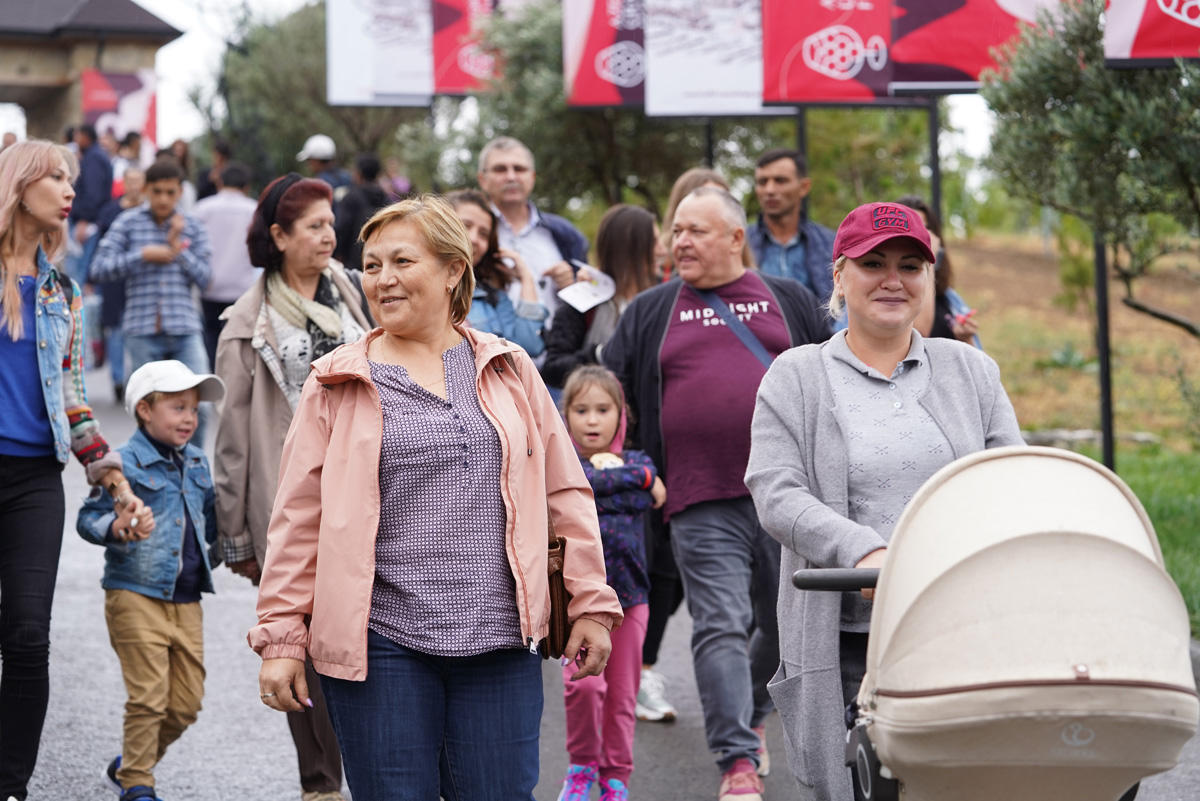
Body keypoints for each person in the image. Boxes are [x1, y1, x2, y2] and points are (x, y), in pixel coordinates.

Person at [251, 195, 622, 801]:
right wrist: (283, 638)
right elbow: (298, 519)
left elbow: (564, 491)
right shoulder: (338, 381)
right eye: (370, 266)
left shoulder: (509, 367)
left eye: (402, 261)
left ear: (453, 270)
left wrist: (590, 605)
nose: (383, 279)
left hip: (500, 641)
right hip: (382, 641)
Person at [744, 202, 1023, 801]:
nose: (893, 279)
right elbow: (775, 490)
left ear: (929, 278)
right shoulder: (795, 376)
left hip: (957, 630)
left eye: (909, 265)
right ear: (840, 275)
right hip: (847, 640)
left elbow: (1009, 480)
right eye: (873, 263)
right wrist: (863, 551)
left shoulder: (971, 370)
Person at [603, 186, 828, 801]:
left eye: (696, 231)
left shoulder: (789, 300)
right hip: (698, 496)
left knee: (785, 625)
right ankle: (736, 760)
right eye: (676, 231)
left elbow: (836, 373)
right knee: (720, 622)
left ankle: (752, 714)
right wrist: (630, 467)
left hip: (788, 496)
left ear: (735, 239)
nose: (680, 243)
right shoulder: (651, 310)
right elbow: (612, 389)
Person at [0, 139, 152, 801]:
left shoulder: (62, 288)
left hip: (35, 477)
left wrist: (113, 481)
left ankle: (9, 784)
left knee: (29, 632)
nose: (70, 189)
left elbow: (73, 398)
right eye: (55, 176)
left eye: (71, 177)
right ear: (18, 183)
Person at [214, 172, 372, 801]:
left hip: (367, 498)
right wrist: (238, 534)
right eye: (313, 226)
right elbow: (231, 441)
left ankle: (372, 770)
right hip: (289, 506)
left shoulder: (356, 295)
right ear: (279, 237)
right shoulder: (246, 326)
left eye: (331, 223)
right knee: (297, 645)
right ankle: (320, 783)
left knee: (363, 639)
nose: (328, 235)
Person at [76, 360, 224, 801]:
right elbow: (89, 519)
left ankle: (127, 766)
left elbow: (211, 521)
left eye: (194, 410)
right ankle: (138, 786)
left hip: (187, 599)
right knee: (148, 698)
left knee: (186, 703)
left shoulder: (197, 460)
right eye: (178, 408)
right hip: (134, 593)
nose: (189, 419)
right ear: (144, 409)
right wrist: (117, 527)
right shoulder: (122, 464)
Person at [556, 366, 664, 801]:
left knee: (622, 694)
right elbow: (583, 485)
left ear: (622, 416)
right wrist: (635, 483)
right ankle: (582, 767)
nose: (593, 420)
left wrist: (629, 481)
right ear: (565, 417)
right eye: (581, 410)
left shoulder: (639, 460)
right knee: (583, 686)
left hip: (632, 600)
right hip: (576, 604)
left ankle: (615, 776)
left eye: (603, 409)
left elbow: (642, 492)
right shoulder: (562, 468)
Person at [91, 158, 214, 442]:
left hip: (184, 328)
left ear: (180, 192)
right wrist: (142, 255)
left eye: (170, 192)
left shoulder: (192, 226)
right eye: (157, 191)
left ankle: (190, 473)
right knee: (148, 413)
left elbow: (206, 279)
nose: (163, 198)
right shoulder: (128, 222)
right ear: (146, 190)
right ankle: (156, 479)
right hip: (142, 330)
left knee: (201, 408)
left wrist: (177, 250)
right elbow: (99, 267)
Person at [542, 204, 658, 389]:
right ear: (631, 248)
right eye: (654, 241)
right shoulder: (583, 300)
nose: (662, 249)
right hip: (600, 413)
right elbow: (552, 369)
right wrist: (599, 354)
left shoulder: (662, 297)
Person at [476, 136, 589, 325]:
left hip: (553, 351)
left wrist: (572, 286)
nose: (511, 177)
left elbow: (585, 302)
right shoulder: (468, 233)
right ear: (482, 179)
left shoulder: (564, 234)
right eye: (500, 169)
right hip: (484, 351)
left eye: (519, 169)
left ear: (532, 177)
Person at [447, 189, 547, 357]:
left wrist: (526, 278)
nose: (474, 238)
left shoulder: (493, 298)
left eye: (484, 234)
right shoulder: (410, 284)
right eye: (466, 225)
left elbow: (529, 347)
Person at [746, 148, 836, 306]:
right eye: (762, 182)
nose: (770, 190)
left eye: (780, 181)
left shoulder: (830, 244)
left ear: (804, 187)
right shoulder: (739, 244)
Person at [194, 161, 259, 367]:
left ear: (220, 182)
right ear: (246, 186)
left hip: (210, 286)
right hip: (243, 289)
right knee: (239, 344)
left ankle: (216, 385)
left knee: (212, 340)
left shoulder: (202, 208)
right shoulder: (254, 210)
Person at [91, 166, 147, 402]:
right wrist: (89, 279)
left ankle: (136, 382)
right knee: (114, 330)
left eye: (138, 181)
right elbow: (99, 247)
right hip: (114, 280)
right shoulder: (110, 211)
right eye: (130, 180)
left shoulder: (150, 211)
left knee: (138, 332)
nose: (134, 185)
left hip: (140, 280)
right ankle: (117, 381)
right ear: (123, 182)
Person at [895, 195, 981, 347]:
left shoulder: (949, 298)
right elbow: (919, 335)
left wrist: (965, 338)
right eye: (910, 227)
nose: (921, 236)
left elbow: (974, 365)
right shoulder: (886, 293)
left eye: (925, 228)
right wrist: (928, 260)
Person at [659, 167, 752, 279]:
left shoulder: (761, 286)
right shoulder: (660, 266)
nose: (683, 242)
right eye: (702, 194)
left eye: (723, 197)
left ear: (736, 238)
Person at [66, 123, 113, 286]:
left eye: (78, 136)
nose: (76, 140)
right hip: (86, 221)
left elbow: (94, 193)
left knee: (75, 276)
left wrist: (83, 220)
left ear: (86, 137)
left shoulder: (94, 158)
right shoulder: (91, 156)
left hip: (86, 223)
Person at [334, 153, 391, 271]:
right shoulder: (386, 199)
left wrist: (338, 254)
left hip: (353, 264)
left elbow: (342, 229)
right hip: (380, 263)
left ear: (358, 173)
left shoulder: (350, 197)